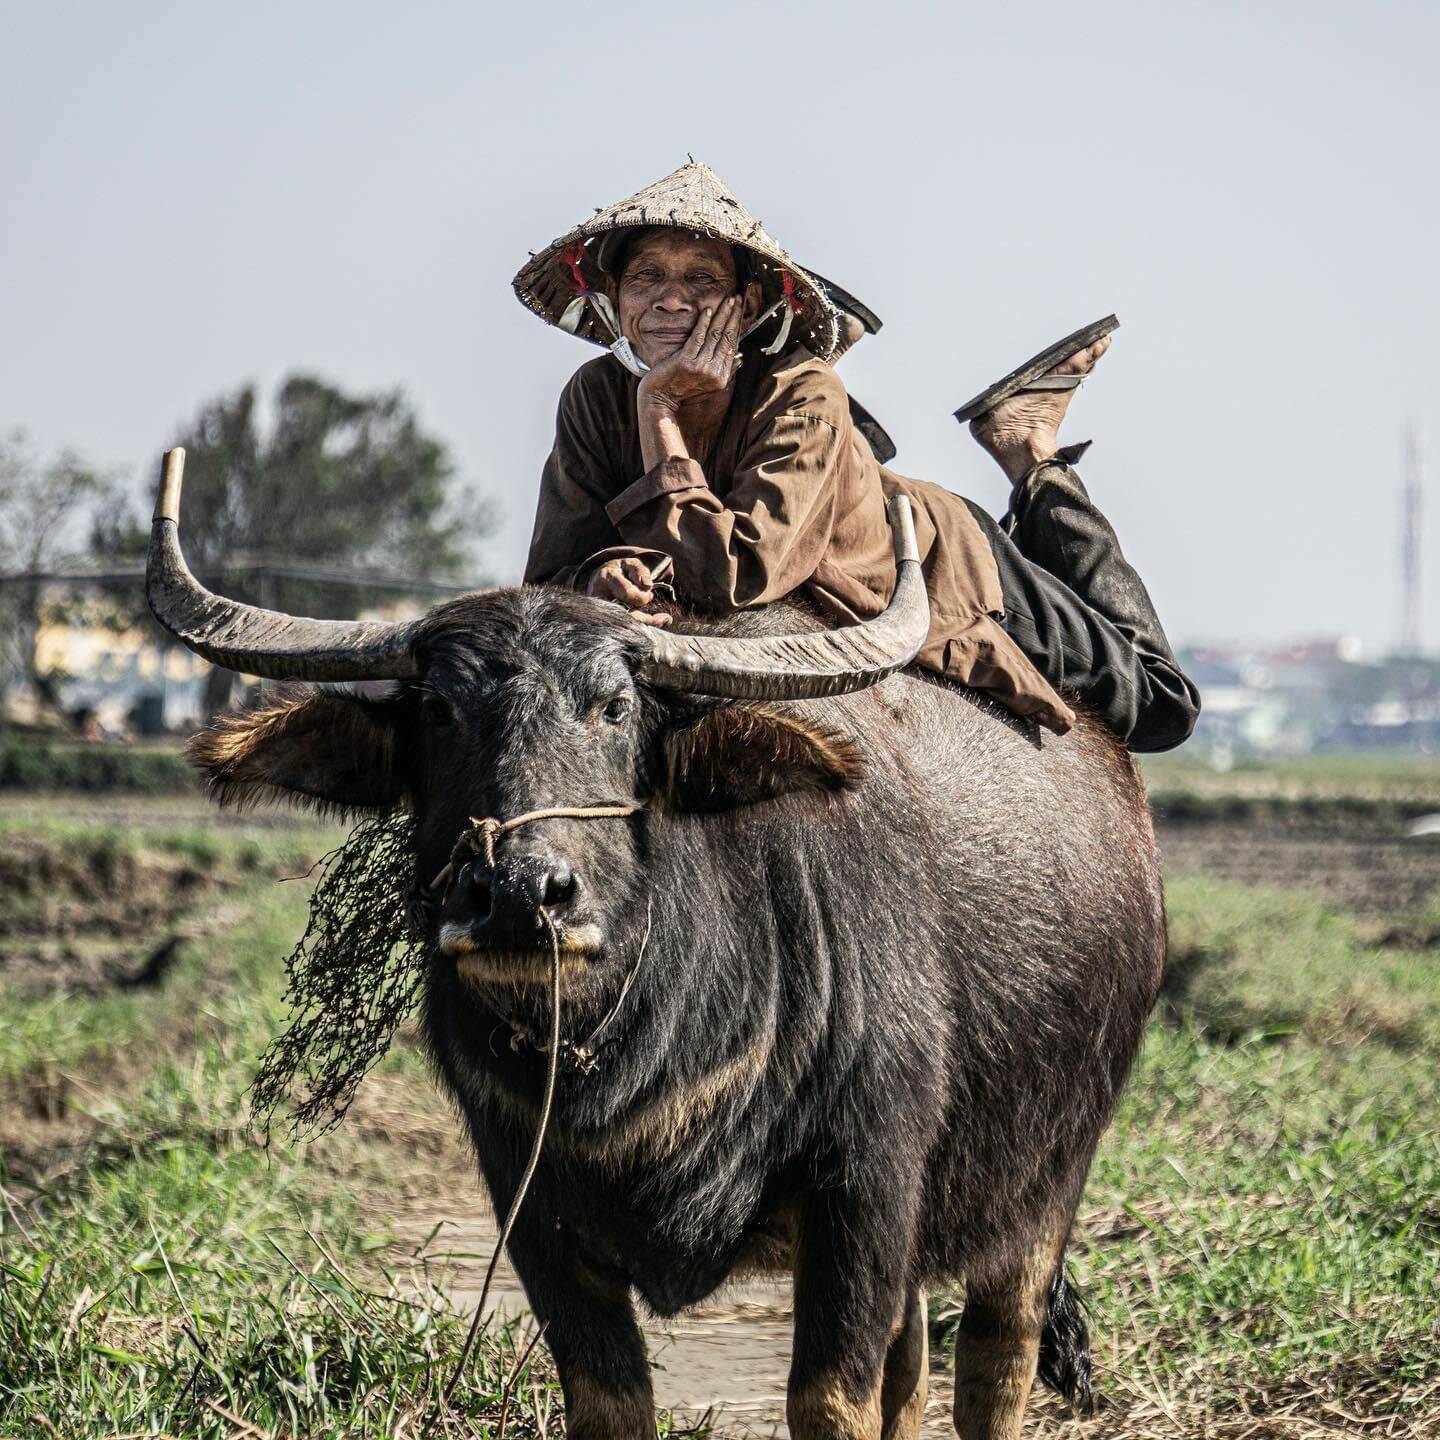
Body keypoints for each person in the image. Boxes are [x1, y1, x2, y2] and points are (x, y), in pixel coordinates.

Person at [516, 161, 1199, 750]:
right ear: (613, 298)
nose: (670, 298)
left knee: (1161, 709)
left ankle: (1027, 453)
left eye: (702, 279)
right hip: (832, 517)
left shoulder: (800, 388)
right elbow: (548, 581)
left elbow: (738, 574)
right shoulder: (594, 396)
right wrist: (603, 578)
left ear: (747, 302)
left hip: (940, 560)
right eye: (646, 278)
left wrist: (660, 410)